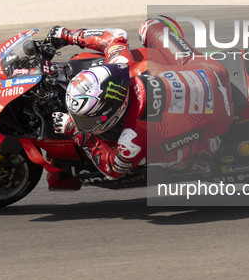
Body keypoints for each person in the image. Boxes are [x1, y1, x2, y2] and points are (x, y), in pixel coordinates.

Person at [46, 16, 234, 180]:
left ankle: (199, 156)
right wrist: (68, 35)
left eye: (88, 118)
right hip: (205, 69)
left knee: (149, 160)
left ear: (114, 111)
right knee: (150, 25)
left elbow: (114, 169)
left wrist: (78, 132)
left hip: (217, 121)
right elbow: (114, 37)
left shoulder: (133, 135)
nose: (81, 121)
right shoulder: (122, 67)